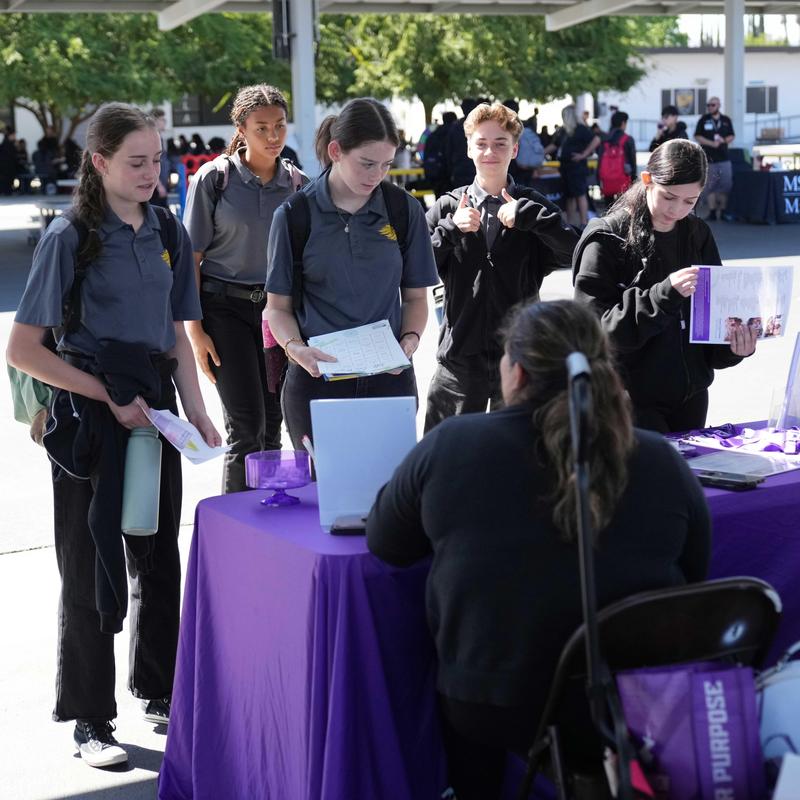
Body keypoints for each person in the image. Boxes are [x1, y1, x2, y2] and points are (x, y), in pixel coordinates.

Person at [367, 299, 711, 800]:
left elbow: (387, 544)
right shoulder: (658, 456)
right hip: (627, 701)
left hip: (490, 698)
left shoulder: (452, 444)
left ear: (518, 372)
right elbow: (693, 576)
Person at [6, 102, 220, 768]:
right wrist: (106, 396)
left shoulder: (166, 229)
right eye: (135, 161)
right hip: (91, 417)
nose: (150, 172)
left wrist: (198, 410)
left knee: (157, 557)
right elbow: (23, 349)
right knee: (88, 566)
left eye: (156, 159)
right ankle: (90, 719)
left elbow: (180, 335)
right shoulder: (69, 236)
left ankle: (161, 692)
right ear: (98, 163)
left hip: (154, 412)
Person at [266, 97, 438, 450]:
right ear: (336, 150)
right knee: (320, 500)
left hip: (390, 379)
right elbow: (277, 308)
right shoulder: (295, 215)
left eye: (386, 165)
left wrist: (410, 341)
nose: (376, 176)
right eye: (367, 163)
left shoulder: (403, 210)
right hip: (317, 382)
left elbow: (417, 297)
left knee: (389, 498)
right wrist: (296, 349)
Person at [573, 139, 757, 433]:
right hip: (629, 400)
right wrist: (663, 295)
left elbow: (712, 323)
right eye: (669, 196)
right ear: (647, 180)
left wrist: (734, 347)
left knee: (690, 477)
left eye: (690, 201)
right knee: (644, 478)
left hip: (691, 395)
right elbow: (591, 334)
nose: (676, 210)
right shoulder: (607, 237)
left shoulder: (698, 234)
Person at [424, 101, 578, 431]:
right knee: (454, 461)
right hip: (461, 360)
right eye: (481, 144)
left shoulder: (532, 204)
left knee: (518, 462)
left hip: (521, 355)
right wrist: (451, 230)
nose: (489, 152)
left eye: (500, 144)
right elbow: (415, 267)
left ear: (515, 148)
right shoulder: (449, 206)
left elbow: (575, 253)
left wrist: (534, 221)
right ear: (468, 148)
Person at [183, 84, 306, 494]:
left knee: (274, 426)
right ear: (241, 128)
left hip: (275, 316)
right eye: (262, 129)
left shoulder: (296, 183)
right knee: (246, 427)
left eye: (280, 126)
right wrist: (195, 332)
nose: (273, 137)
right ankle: (235, 531)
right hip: (223, 311)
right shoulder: (213, 180)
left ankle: (269, 521)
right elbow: (191, 260)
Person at [546, 104, 600, 227]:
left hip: (577, 167)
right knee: (569, 196)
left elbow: (596, 140)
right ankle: (570, 223)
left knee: (580, 194)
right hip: (566, 167)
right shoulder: (563, 131)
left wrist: (584, 154)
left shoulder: (581, 129)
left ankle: (583, 222)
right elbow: (555, 145)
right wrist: (541, 153)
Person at [694, 96, 735, 221]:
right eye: (709, 105)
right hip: (709, 158)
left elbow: (732, 135)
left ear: (718, 105)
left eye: (713, 105)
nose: (710, 107)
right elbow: (697, 136)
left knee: (725, 185)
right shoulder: (704, 119)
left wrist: (723, 140)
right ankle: (712, 211)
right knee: (710, 185)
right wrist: (711, 143)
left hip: (724, 158)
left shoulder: (726, 120)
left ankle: (722, 211)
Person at [597, 110, 637, 208]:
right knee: (624, 207)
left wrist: (598, 180)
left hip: (607, 180)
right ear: (623, 123)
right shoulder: (627, 139)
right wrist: (634, 180)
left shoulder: (604, 139)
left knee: (608, 208)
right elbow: (632, 161)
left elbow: (600, 161)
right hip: (623, 180)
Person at [149, 108, 171, 208]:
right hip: (155, 187)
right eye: (162, 120)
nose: (164, 123)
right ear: (155, 121)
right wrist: (159, 185)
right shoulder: (152, 138)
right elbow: (151, 163)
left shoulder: (160, 137)